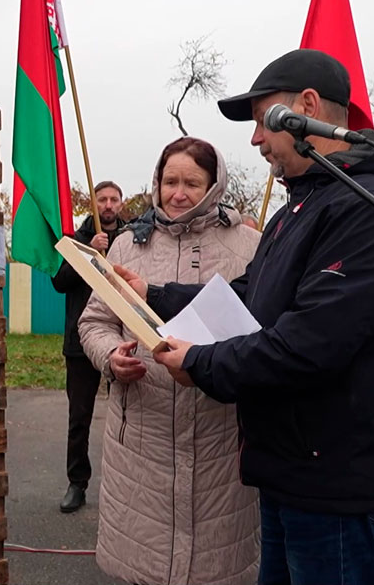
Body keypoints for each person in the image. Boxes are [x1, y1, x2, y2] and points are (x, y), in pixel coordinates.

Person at [115, 49, 374, 585]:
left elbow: (311, 343)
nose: (256, 139)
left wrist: (202, 362)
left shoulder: (369, 207)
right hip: (289, 468)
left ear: (306, 107)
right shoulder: (301, 208)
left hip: (331, 482)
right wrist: (154, 293)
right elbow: (246, 295)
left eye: (263, 121)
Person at [77, 139, 261, 583]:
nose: (178, 193)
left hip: (219, 441)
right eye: (169, 181)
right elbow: (94, 322)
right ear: (156, 184)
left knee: (217, 570)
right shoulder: (123, 248)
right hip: (141, 440)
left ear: (214, 186)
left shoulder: (251, 245)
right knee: (143, 567)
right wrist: (109, 357)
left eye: (192, 183)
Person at [50, 180, 127, 513]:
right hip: (81, 344)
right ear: (93, 204)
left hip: (123, 341)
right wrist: (91, 254)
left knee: (128, 417)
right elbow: (59, 282)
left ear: (121, 204)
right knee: (79, 417)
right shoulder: (75, 241)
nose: (108, 205)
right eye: (102, 200)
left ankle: (125, 485)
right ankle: (76, 483)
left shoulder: (134, 237)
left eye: (113, 199)